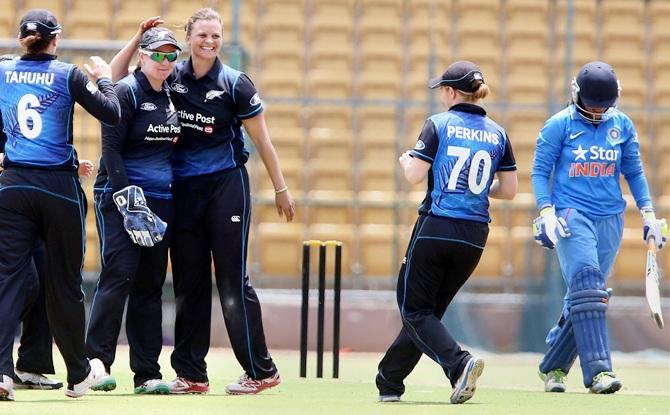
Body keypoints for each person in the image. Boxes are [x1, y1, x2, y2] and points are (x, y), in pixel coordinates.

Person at [111, 9, 295, 395]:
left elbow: (263, 141)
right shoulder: (170, 74)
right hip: (182, 191)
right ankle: (192, 374)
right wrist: (137, 37)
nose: (209, 42)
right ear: (189, 37)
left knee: (231, 281)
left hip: (225, 187)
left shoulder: (234, 83)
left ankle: (261, 371)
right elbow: (115, 80)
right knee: (188, 284)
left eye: (216, 35)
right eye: (202, 35)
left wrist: (281, 188)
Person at [375, 61, 518, 404]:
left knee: (413, 309)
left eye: (443, 89)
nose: (441, 94)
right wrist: (478, 191)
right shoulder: (498, 132)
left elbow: (413, 175)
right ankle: (389, 381)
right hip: (474, 236)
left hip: (436, 225)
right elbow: (509, 190)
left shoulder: (438, 124)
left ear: (452, 92)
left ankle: (459, 364)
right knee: (428, 313)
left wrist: (405, 159)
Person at [0, 9, 120, 401]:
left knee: (6, 280)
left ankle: (1, 374)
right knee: (64, 284)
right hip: (58, 189)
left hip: (12, 186)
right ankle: (78, 374)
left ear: (22, 38)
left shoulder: (2, 70)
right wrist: (104, 77)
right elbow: (112, 113)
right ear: (56, 38)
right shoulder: (67, 74)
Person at [531, 61, 667, 394]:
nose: (597, 111)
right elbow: (539, 173)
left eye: (603, 105)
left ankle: (553, 366)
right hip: (571, 215)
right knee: (589, 287)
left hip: (611, 218)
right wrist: (547, 211)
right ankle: (599, 373)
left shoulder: (621, 124)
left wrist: (648, 214)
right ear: (576, 95)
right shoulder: (558, 125)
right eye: (592, 104)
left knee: (583, 297)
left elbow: (633, 172)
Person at [85, 27, 180, 395]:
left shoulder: (173, 93)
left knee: (150, 284)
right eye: (158, 54)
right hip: (120, 196)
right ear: (143, 55)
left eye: (172, 55)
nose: (165, 62)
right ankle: (96, 362)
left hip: (160, 200)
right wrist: (128, 200)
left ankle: (147, 372)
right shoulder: (126, 90)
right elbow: (111, 147)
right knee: (119, 275)